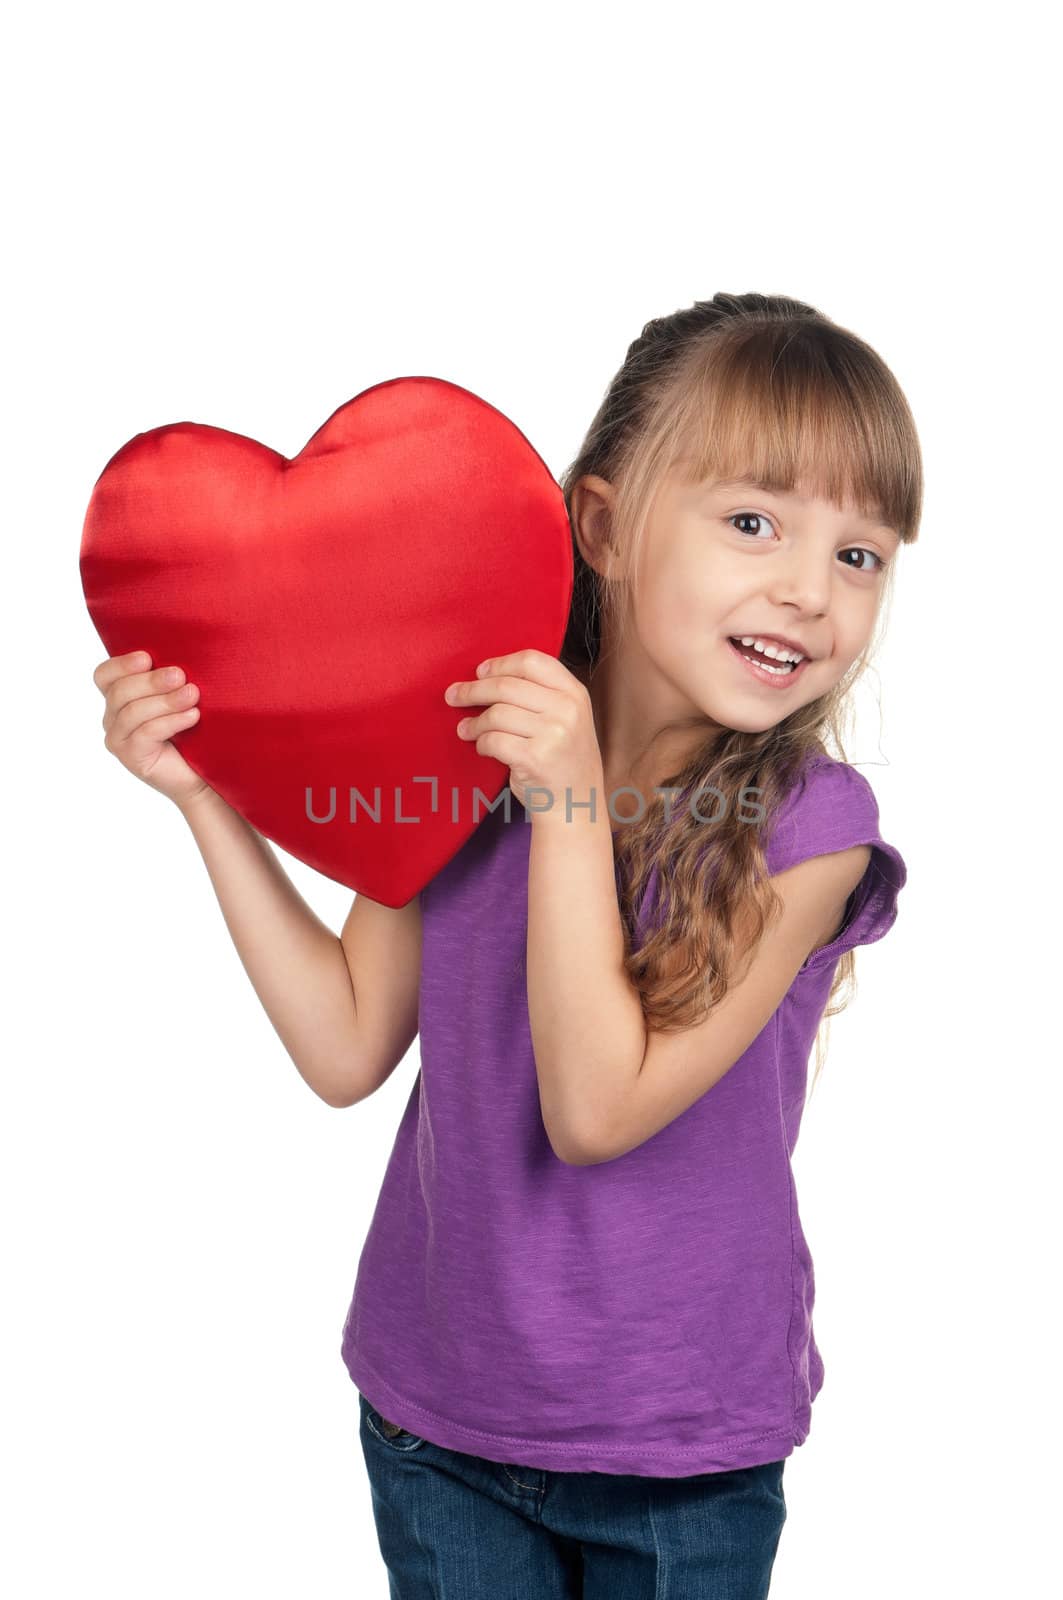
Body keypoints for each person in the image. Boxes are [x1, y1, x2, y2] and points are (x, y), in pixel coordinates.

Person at [92, 290, 919, 1599]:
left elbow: (597, 1108)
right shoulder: (467, 742)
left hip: (679, 1458)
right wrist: (207, 801)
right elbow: (348, 1042)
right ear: (602, 524)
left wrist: (570, 801)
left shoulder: (815, 831)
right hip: (438, 1427)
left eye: (862, 553)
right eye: (753, 522)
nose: (808, 591)